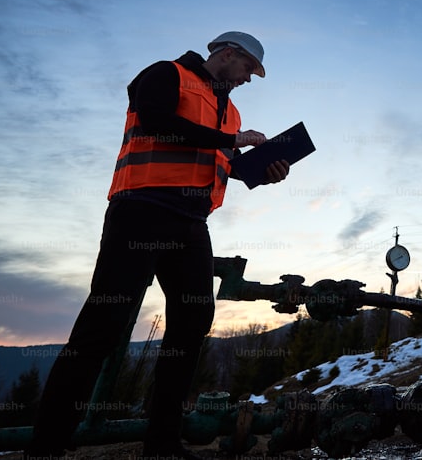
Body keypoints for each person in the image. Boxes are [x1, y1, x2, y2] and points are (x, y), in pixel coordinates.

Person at [25, 32, 290, 460]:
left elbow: (222, 162)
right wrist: (231, 141)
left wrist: (263, 169)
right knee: (103, 324)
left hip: (191, 223)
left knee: (192, 322)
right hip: (141, 210)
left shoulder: (233, 112)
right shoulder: (166, 73)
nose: (248, 79)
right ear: (227, 54)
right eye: (247, 70)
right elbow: (156, 122)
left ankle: (162, 442)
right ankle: (46, 446)